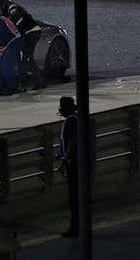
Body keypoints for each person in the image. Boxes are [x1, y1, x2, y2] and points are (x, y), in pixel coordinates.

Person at [0, 0, 46, 90]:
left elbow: (17, 26)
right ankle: (36, 81)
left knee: (25, 58)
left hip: (31, 31)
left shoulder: (13, 9)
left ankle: (27, 83)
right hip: (23, 33)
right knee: (23, 58)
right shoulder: (4, 9)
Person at [58, 96, 80, 238]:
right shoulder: (77, 119)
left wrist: (65, 160)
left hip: (74, 164)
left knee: (74, 196)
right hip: (79, 163)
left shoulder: (71, 122)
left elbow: (73, 141)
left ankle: (76, 226)